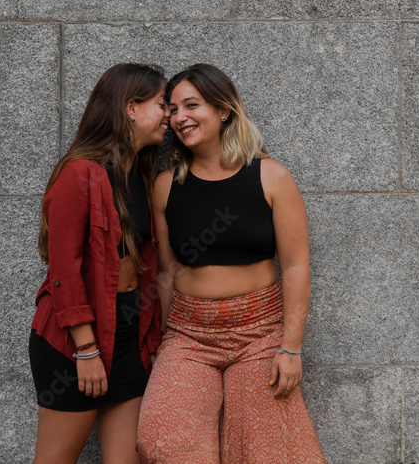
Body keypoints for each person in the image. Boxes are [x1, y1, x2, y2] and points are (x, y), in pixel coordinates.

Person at [136, 64, 326, 464]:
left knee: (267, 452)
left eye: (192, 104)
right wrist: (162, 342)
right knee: (161, 442)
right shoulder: (166, 184)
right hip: (188, 334)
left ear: (224, 110)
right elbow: (167, 271)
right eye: (172, 109)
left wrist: (290, 347)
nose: (180, 117)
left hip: (259, 333)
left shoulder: (272, 178)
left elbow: (295, 267)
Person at [29, 63, 169, 464]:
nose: (170, 116)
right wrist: (86, 350)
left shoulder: (138, 175)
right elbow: (64, 272)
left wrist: (152, 338)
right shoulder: (78, 174)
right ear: (130, 108)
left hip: (126, 333)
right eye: (162, 104)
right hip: (73, 342)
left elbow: (149, 265)